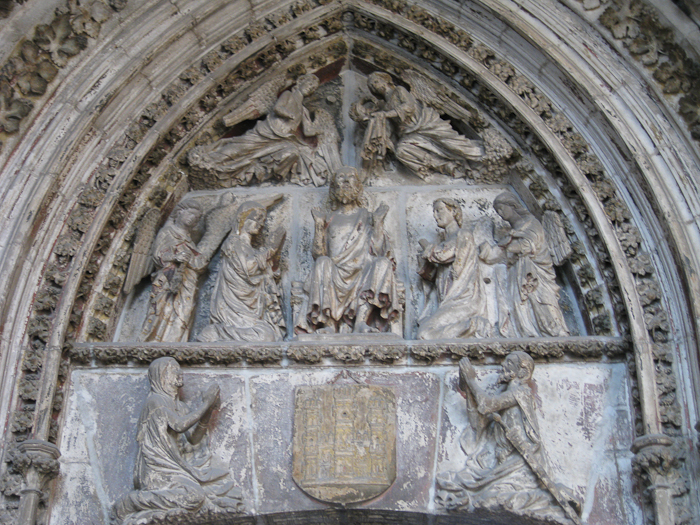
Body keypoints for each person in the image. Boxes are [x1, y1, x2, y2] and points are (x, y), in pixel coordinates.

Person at [437, 354, 580, 522]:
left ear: (522, 372)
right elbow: (477, 423)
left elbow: (487, 405)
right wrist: (468, 387)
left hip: (521, 467)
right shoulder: (503, 399)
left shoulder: (521, 393)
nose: (503, 364)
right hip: (501, 466)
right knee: (463, 483)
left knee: (491, 501)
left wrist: (471, 380)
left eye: (510, 362)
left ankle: (555, 496)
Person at [113, 357, 243, 524]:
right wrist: (205, 403)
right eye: (174, 369)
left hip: (175, 467)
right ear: (162, 376)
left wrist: (209, 409)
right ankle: (132, 502)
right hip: (159, 470)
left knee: (210, 491)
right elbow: (179, 425)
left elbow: (194, 438)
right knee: (194, 497)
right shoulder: (156, 401)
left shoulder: (180, 406)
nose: (180, 372)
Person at [295, 166, 403, 334]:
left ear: (358, 186)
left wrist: (378, 223)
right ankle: (330, 324)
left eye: (350, 177)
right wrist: (319, 225)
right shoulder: (328, 218)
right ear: (333, 188)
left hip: (363, 271)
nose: (345, 180)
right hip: (335, 272)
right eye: (340, 177)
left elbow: (378, 251)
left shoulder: (367, 216)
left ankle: (361, 321)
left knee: (383, 263)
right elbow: (318, 254)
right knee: (323, 262)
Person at [187, 74, 340, 186]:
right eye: (309, 84)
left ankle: (255, 173)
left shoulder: (304, 110)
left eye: (313, 88)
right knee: (242, 147)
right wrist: (289, 114)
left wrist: (320, 129)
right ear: (300, 82)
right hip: (268, 132)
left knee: (291, 153)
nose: (310, 88)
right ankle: (212, 160)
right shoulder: (288, 95)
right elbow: (278, 108)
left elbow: (307, 131)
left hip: (284, 138)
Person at [354, 72, 482, 179]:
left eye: (376, 82)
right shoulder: (385, 106)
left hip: (425, 124)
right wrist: (370, 120)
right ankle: (446, 166)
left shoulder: (399, 91)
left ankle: (481, 156)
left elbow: (408, 106)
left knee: (452, 145)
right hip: (409, 134)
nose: (374, 86)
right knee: (401, 151)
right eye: (371, 86)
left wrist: (386, 114)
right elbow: (388, 129)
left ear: (385, 80)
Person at [479, 192, 569, 337]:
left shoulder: (531, 223)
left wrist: (507, 247)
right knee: (518, 303)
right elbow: (500, 255)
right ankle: (527, 333)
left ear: (512, 205)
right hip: (517, 272)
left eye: (501, 208)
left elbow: (528, 246)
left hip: (536, 272)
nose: (500, 213)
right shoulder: (511, 233)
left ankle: (555, 332)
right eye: (497, 211)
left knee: (541, 301)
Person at [197, 201, 285, 342]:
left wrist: (274, 257)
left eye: (262, 220)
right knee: (266, 337)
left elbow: (265, 274)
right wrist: (270, 250)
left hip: (250, 312)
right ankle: (217, 332)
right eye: (257, 218)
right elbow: (248, 268)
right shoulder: (233, 242)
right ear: (242, 218)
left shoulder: (250, 249)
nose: (261, 224)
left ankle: (218, 333)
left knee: (270, 335)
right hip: (233, 310)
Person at [417, 198, 491, 339]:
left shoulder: (463, 236)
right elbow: (434, 274)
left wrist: (427, 247)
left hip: (463, 301)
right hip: (448, 301)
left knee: (424, 334)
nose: (435, 215)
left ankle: (474, 325)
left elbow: (443, 255)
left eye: (439, 210)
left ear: (454, 211)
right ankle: (468, 327)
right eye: (434, 212)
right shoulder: (447, 240)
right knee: (425, 328)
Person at [140, 202, 206, 343]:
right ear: (179, 212)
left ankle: (175, 340)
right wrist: (174, 257)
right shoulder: (167, 232)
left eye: (196, 217)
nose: (193, 218)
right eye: (190, 213)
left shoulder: (189, 241)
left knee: (184, 311)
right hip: (167, 279)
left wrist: (198, 261)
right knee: (163, 307)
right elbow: (157, 255)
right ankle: (154, 339)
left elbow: (196, 263)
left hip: (187, 282)